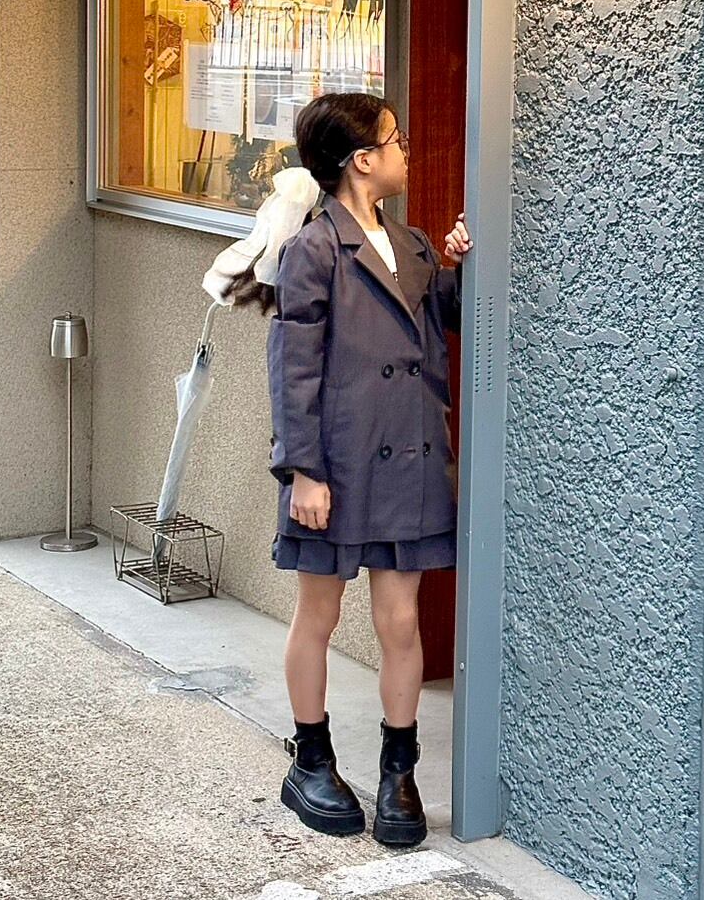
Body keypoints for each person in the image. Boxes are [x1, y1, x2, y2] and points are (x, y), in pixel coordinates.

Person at [264, 92, 472, 847]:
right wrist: (303, 471)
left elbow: (444, 317)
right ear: (362, 160)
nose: (406, 150)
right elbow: (292, 370)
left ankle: (398, 770)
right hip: (337, 468)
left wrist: (461, 264)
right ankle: (310, 760)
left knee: (401, 621)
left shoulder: (411, 244)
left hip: (410, 461)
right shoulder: (315, 250)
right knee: (318, 614)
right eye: (396, 140)